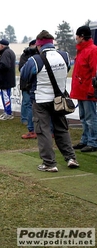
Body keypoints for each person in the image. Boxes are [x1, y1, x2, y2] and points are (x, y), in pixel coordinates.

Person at [20, 30, 78, 172]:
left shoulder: (35, 60)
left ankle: (49, 163)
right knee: (62, 129)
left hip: (41, 99)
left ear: (39, 45)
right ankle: (71, 158)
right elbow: (66, 70)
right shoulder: (64, 56)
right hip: (59, 99)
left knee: (43, 130)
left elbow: (24, 75)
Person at [70, 25, 97, 152]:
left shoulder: (92, 50)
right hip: (81, 90)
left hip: (87, 90)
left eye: (77, 35)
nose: (76, 38)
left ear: (81, 36)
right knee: (83, 117)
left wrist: (92, 88)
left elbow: (94, 71)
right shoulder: (81, 50)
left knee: (90, 118)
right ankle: (85, 140)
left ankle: (93, 141)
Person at [19, 40, 38, 139]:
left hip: (34, 85)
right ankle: (25, 119)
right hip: (26, 84)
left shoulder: (38, 56)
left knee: (32, 105)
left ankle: (32, 126)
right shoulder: (25, 56)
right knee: (26, 103)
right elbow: (22, 70)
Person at [0, 39, 16, 120]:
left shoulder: (5, 53)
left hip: (5, 79)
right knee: (6, 96)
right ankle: (7, 111)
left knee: (5, 96)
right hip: (8, 79)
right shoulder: (10, 52)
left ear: (2, 45)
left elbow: (5, 65)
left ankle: (8, 113)